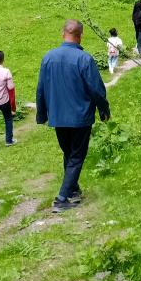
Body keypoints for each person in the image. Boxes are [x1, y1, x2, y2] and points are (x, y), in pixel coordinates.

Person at [36, 20, 111, 213]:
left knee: (69, 154)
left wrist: (41, 114)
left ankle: (74, 190)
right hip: (80, 117)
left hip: (58, 117)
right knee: (76, 156)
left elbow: (41, 89)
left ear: (63, 33)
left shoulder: (48, 58)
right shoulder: (84, 59)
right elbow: (96, 89)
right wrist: (104, 109)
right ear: (80, 36)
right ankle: (61, 199)